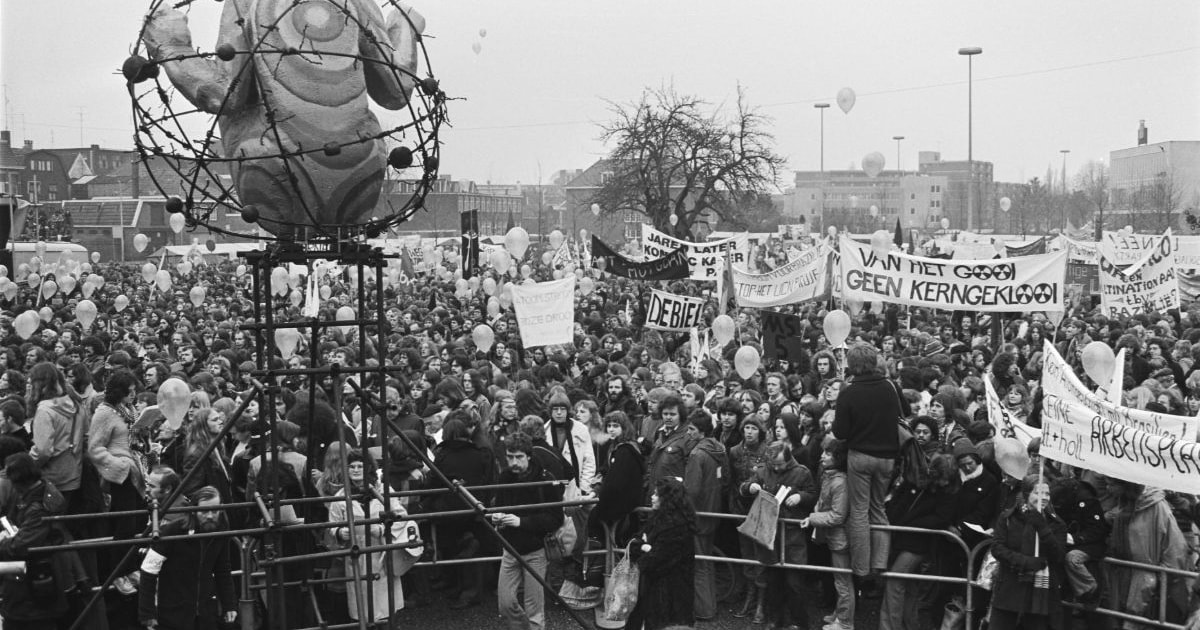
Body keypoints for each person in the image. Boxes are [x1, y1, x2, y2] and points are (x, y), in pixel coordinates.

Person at [832, 343, 910, 590]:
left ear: (852, 365)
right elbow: (905, 413)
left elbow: (840, 432)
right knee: (878, 507)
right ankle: (879, 563)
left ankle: (861, 567)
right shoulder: (889, 386)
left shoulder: (848, 392)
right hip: (887, 458)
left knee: (859, 511)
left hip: (860, 456)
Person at [739, 440, 818, 630]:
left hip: (793, 535)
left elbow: (813, 495)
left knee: (794, 583)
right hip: (769, 534)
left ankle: (799, 623)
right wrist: (750, 487)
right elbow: (743, 488)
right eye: (772, 464)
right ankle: (774, 620)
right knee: (773, 582)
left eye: (779, 464)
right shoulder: (762, 470)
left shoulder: (802, 472)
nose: (776, 468)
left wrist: (800, 497)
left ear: (789, 459)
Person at [490, 432, 563, 630]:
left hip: (536, 550)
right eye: (510, 457)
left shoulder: (545, 478)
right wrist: (498, 516)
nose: (514, 462)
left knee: (534, 608)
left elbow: (556, 517)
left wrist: (521, 522)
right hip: (510, 548)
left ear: (529, 456)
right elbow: (500, 505)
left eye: (519, 457)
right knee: (505, 604)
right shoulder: (505, 477)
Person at [138, 485, 237, 630]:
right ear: (194, 510)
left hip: (205, 612)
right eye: (204, 511)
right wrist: (147, 614)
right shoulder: (173, 530)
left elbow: (223, 569)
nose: (210, 515)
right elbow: (149, 569)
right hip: (173, 613)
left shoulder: (221, 529)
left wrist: (229, 605)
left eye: (215, 510)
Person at [879, 454, 959, 630]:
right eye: (943, 478)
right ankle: (911, 624)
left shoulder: (946, 491)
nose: (945, 482)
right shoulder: (918, 479)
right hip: (903, 534)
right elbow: (899, 498)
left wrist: (909, 522)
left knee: (895, 581)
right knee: (910, 585)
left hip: (918, 541)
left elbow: (941, 518)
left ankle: (889, 626)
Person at [0, 452, 77, 630]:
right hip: (41, 581)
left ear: (19, 481)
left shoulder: (37, 507)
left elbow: (21, 545)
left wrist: (4, 541)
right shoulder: (43, 493)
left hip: (34, 586)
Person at [988, 476, 1068, 630]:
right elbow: (997, 548)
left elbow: (1058, 555)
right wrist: (1025, 561)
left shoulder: (1056, 523)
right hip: (1010, 587)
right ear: (1026, 494)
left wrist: (1042, 527)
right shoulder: (1008, 517)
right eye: (1038, 493)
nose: (1044, 498)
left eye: (1047, 494)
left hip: (1040, 593)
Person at [625, 477, 696, 630]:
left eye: (657, 494)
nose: (652, 497)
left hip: (668, 594)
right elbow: (634, 543)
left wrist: (644, 547)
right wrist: (646, 547)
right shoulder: (660, 518)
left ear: (667, 498)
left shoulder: (675, 527)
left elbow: (654, 561)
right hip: (656, 590)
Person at [802, 437, 854, 630]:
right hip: (834, 537)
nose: (822, 456)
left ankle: (845, 622)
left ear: (838, 457)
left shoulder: (839, 482)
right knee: (839, 579)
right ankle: (840, 614)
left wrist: (813, 517)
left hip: (840, 538)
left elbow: (838, 516)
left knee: (842, 581)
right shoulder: (830, 477)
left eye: (828, 453)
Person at [681, 409, 727, 621]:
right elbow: (725, 480)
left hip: (697, 514)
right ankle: (710, 604)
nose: (688, 433)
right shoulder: (719, 448)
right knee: (706, 561)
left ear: (702, 431)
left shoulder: (696, 454)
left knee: (698, 563)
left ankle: (704, 609)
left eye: (691, 429)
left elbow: (691, 490)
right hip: (713, 511)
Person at [644, 394, 696, 502]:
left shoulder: (688, 436)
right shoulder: (659, 432)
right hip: (655, 491)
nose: (668, 417)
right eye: (665, 414)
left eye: (672, 414)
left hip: (673, 495)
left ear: (680, 415)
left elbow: (690, 471)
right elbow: (652, 461)